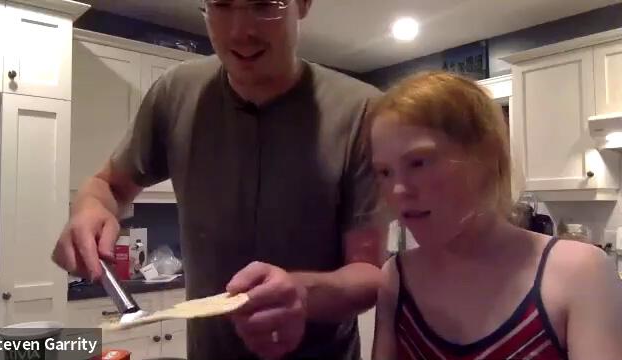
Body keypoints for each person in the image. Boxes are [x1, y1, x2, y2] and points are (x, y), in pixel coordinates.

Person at [52, 0, 384, 359]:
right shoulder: (175, 92)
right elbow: (109, 186)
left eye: (264, 4)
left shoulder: (362, 112)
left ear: (302, 5)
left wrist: (303, 293)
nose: (240, 31)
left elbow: (368, 274)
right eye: (221, 5)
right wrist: (88, 208)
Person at [369, 71, 622, 360]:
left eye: (418, 162)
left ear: (486, 156)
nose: (398, 189)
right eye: (384, 172)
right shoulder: (397, 278)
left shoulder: (579, 272)